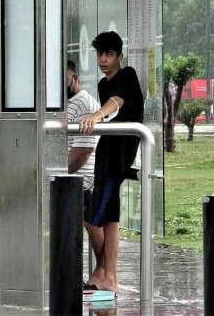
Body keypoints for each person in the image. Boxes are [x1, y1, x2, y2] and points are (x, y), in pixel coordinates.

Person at [79, 31, 144, 293]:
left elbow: (117, 102)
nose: (103, 60)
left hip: (120, 155)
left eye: (109, 54)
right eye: (100, 54)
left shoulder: (127, 76)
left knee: (94, 215)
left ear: (119, 56)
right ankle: (106, 275)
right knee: (109, 219)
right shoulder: (102, 83)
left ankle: (106, 275)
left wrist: (96, 114)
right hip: (106, 151)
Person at [65, 60, 102, 285]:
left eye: (65, 78)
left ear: (75, 78)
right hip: (65, 175)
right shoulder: (61, 104)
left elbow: (83, 151)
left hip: (82, 177)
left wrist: (60, 175)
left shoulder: (85, 104)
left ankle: (103, 269)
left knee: (90, 220)